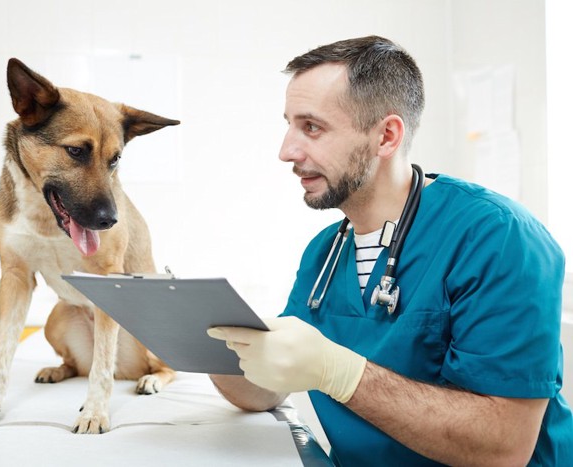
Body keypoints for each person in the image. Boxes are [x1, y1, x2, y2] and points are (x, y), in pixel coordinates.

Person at [207, 35, 573, 466]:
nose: (286, 151)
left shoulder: (498, 237)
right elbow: (268, 389)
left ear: (386, 136)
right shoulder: (325, 253)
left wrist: (338, 372)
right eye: (288, 124)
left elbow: (503, 447)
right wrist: (216, 342)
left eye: (311, 127)